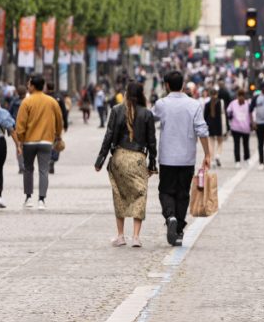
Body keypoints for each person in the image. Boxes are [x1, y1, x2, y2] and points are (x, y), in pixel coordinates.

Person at [96, 82, 158, 248]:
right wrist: (152, 163)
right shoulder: (147, 114)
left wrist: (100, 160)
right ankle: (136, 237)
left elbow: (108, 136)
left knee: (119, 194)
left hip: (119, 157)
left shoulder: (116, 110)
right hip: (138, 158)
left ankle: (120, 235)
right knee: (140, 194)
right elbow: (152, 142)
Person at [153, 71, 210, 246]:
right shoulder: (194, 105)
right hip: (187, 159)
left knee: (165, 191)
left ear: (167, 85)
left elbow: (149, 118)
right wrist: (207, 154)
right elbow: (202, 130)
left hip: (167, 158)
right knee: (183, 194)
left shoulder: (161, 104)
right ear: (183, 85)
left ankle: (170, 216)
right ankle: (178, 230)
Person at [13, 74, 64, 210]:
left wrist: (20, 141)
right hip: (46, 141)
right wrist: (58, 135)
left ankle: (28, 198)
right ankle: (42, 200)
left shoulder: (26, 102)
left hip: (29, 142)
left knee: (28, 169)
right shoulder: (52, 101)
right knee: (44, 170)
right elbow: (60, 120)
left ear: (33, 86)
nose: (28, 86)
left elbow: (20, 124)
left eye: (29, 84)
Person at [46, 81, 69, 175]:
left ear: (46, 87)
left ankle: (48, 158)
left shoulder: (45, 97)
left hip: (46, 124)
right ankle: (53, 159)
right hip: (57, 123)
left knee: (47, 142)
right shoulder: (59, 97)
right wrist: (66, 124)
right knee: (57, 140)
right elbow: (64, 112)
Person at [227, 89, 253, 168]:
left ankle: (246, 158)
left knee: (245, 144)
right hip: (236, 128)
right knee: (237, 145)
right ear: (237, 96)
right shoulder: (233, 103)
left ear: (244, 96)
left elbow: (251, 114)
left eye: (242, 96)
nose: (241, 98)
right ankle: (237, 160)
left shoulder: (248, 104)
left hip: (245, 128)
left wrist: (252, 123)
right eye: (239, 96)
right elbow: (228, 112)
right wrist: (230, 116)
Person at [203, 87, 226, 169]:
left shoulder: (207, 104)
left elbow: (204, 117)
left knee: (211, 144)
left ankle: (212, 160)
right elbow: (224, 115)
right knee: (220, 142)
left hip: (210, 126)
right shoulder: (221, 103)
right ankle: (217, 155)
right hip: (219, 125)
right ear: (217, 94)